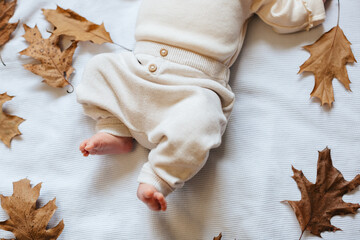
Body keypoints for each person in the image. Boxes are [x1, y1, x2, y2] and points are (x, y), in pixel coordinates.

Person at [76, 0, 326, 211]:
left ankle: (159, 176)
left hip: (194, 85)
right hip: (138, 68)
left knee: (203, 119)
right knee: (98, 70)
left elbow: (288, 14)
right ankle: (115, 127)